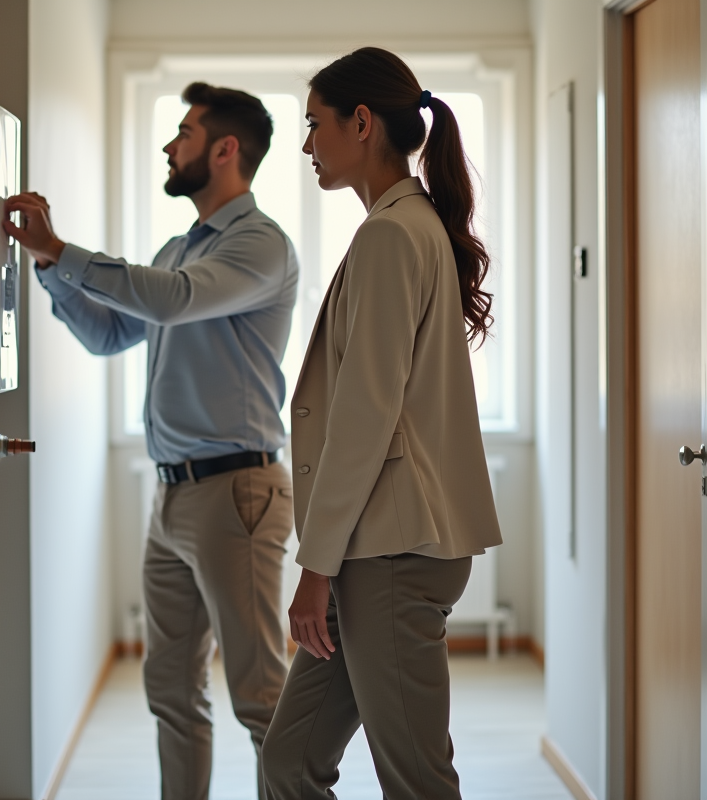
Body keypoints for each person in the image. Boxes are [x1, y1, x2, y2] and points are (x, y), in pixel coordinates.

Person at [2, 83, 298, 800]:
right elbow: (110, 333)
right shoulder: (178, 247)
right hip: (173, 498)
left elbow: (171, 300)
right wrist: (49, 268)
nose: (171, 146)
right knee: (170, 686)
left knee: (261, 697)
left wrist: (61, 248)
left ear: (226, 150)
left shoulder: (260, 244)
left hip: (237, 495)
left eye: (185, 133)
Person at [260, 48, 503, 800]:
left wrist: (313, 570)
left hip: (389, 558)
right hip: (378, 547)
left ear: (361, 123)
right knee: (289, 763)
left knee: (417, 781)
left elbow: (366, 418)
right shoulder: (408, 225)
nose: (306, 146)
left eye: (314, 125)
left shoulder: (393, 235)